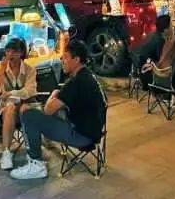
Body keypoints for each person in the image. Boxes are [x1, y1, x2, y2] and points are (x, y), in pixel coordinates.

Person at [11, 40, 106, 180]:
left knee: (28, 114)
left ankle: (36, 164)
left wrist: (54, 94)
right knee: (47, 111)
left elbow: (48, 109)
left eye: (65, 57)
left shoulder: (76, 82)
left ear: (76, 60)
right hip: (94, 131)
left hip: (81, 136)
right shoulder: (88, 76)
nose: (62, 61)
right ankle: (40, 146)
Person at [0, 37, 38, 171]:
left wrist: (11, 93)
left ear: (21, 53)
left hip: (25, 105)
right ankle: (6, 153)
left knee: (24, 108)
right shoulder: (1, 69)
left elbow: (29, 90)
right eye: (8, 51)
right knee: (10, 108)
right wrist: (1, 71)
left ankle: (34, 152)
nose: (10, 54)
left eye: (14, 51)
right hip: (7, 109)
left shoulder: (30, 70)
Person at [132, 14, 172, 87]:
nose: (172, 28)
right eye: (170, 26)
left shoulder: (152, 34)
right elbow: (161, 61)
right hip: (148, 76)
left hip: (138, 68)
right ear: (165, 29)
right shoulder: (159, 40)